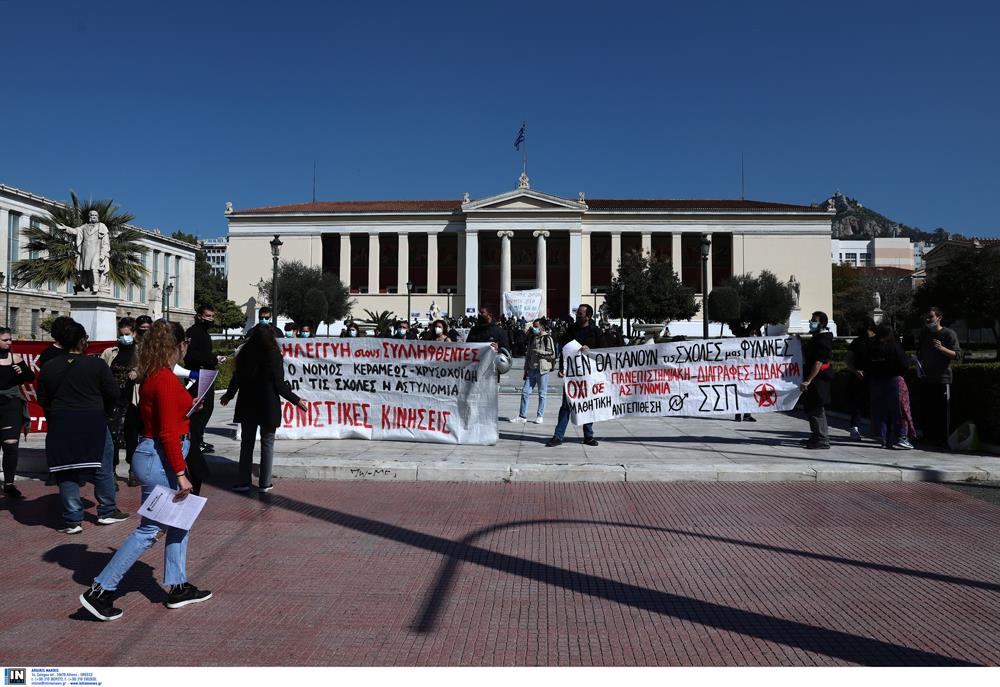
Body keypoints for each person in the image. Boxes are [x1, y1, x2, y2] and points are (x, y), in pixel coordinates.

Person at [79, 321, 212, 621]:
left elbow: (168, 417)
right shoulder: (163, 379)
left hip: (160, 453)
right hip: (161, 456)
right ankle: (100, 590)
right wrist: (180, 473)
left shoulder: (156, 376)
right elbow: (166, 432)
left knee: (179, 522)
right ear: (179, 346)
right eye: (185, 346)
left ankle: (178, 586)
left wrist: (191, 406)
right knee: (150, 529)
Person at [37, 322, 128, 533]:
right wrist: (103, 410)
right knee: (102, 466)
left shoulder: (49, 367)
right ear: (82, 341)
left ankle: (72, 519)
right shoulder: (95, 365)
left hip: (61, 422)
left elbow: (43, 398)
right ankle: (107, 511)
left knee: (66, 469)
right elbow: (113, 393)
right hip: (93, 420)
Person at [220, 324, 307, 493]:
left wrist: (229, 395)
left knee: (247, 444)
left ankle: (244, 481)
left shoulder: (244, 354)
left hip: (247, 404)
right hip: (268, 404)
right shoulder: (274, 355)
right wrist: (296, 400)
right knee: (267, 444)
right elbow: (279, 384)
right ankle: (265, 483)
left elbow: (236, 378)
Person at [547, 304, 607, 447]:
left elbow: (605, 351)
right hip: (572, 375)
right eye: (577, 313)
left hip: (588, 375)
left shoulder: (596, 332)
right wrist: (561, 367)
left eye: (580, 314)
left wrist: (591, 350)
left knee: (587, 404)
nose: (577, 316)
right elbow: (564, 350)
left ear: (588, 316)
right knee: (566, 405)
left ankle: (588, 435)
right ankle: (558, 435)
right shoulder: (571, 330)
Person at [184, 305, 221, 494]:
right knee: (200, 410)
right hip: (198, 377)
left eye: (212, 316)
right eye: (207, 316)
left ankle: (198, 437)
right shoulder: (193, 333)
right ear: (199, 316)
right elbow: (190, 355)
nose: (210, 319)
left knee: (207, 410)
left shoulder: (204, 333)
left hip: (206, 375)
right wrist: (212, 359)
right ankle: (194, 439)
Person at [101, 318, 141, 485]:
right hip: (113, 401)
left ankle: (133, 470)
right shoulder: (111, 352)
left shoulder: (140, 352)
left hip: (132, 400)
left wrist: (137, 372)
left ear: (134, 333)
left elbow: (148, 370)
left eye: (128, 334)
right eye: (122, 334)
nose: (124, 337)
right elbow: (100, 371)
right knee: (113, 437)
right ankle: (112, 472)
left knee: (132, 437)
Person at [916, 307, 960, 447]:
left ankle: (943, 439)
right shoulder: (924, 334)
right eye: (927, 317)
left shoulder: (948, 333)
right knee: (927, 409)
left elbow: (957, 355)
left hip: (942, 379)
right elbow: (920, 354)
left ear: (939, 317)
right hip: (926, 379)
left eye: (931, 317)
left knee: (942, 411)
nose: (928, 320)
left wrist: (942, 349)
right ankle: (928, 436)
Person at [0, 327, 34, 499]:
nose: (9, 342)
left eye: (10, 339)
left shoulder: (15, 358)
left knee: (11, 444)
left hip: (11, 404)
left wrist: (22, 372)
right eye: (5, 340)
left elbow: (30, 377)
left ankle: (9, 484)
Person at [866, 325, 913, 450]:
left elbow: (868, 365)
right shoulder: (894, 346)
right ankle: (902, 437)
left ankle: (884, 438)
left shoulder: (872, 347)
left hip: (877, 381)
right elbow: (904, 364)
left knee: (882, 411)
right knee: (899, 409)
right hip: (894, 380)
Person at [798, 311, 834, 450]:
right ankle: (816, 435)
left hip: (818, 379)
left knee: (817, 408)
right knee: (811, 407)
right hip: (813, 378)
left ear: (822, 323)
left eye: (814, 320)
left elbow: (818, 362)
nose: (811, 322)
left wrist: (808, 380)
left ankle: (822, 438)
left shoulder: (823, 339)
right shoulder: (816, 338)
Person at [513, 319, 555, 424]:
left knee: (542, 394)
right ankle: (522, 415)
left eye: (536, 326)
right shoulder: (532, 338)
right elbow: (528, 355)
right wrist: (525, 369)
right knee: (525, 392)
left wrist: (540, 352)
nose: (534, 328)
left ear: (542, 327)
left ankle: (540, 415)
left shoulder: (547, 338)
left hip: (542, 370)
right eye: (534, 326)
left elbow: (552, 354)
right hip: (531, 369)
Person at [846, 317, 877, 439]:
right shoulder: (857, 342)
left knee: (875, 403)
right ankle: (854, 427)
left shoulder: (879, 341)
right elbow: (848, 359)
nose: (867, 331)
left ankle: (876, 428)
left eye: (869, 328)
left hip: (875, 376)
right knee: (858, 404)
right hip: (859, 376)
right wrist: (855, 371)